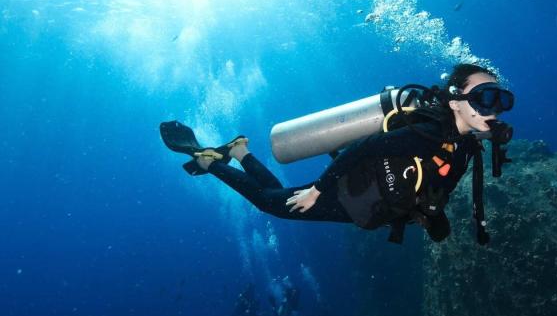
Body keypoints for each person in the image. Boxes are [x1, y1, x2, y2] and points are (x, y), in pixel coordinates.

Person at [160, 63, 514, 243]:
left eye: (501, 100)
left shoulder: (464, 144)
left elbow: (435, 182)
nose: (494, 109)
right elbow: (366, 147)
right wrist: (318, 189)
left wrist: (430, 215)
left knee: (277, 198)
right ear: (454, 100)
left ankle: (240, 153)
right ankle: (210, 162)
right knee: (271, 204)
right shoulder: (431, 133)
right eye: (484, 98)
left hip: (373, 199)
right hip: (353, 193)